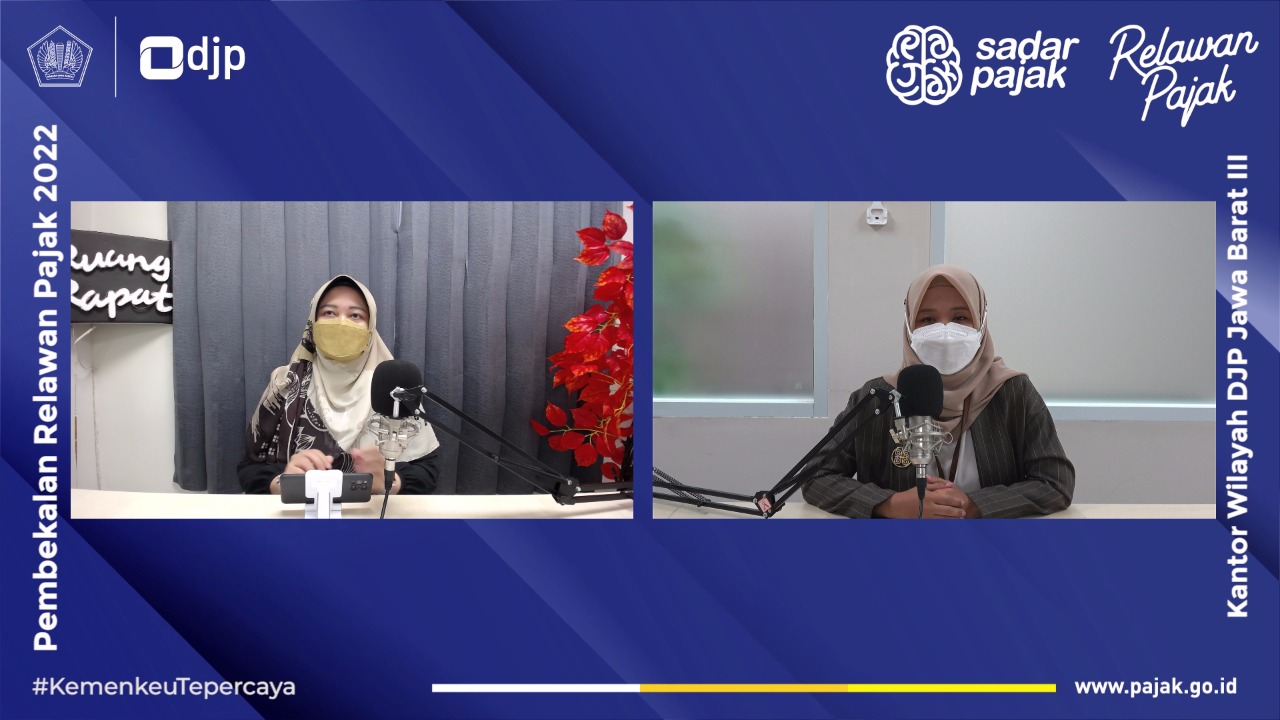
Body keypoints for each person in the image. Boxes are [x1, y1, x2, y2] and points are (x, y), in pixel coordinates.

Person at [802, 264, 1074, 518]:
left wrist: (973, 505)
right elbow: (816, 476)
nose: (944, 331)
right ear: (909, 325)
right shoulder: (878, 397)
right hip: (898, 545)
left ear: (981, 322)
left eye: (960, 317)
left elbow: (1055, 482)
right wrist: (890, 504)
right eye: (928, 319)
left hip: (990, 546)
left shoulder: (1013, 392)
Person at [238, 275, 441, 495]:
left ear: (371, 327)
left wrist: (389, 482)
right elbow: (249, 467)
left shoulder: (392, 387)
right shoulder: (286, 382)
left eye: (355, 315)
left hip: (376, 513)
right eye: (329, 313)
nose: (341, 322)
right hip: (299, 512)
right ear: (313, 322)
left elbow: (427, 471)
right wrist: (282, 482)